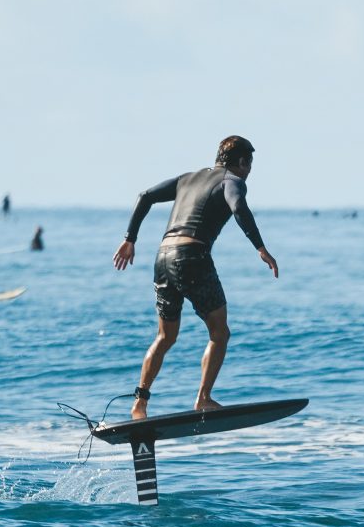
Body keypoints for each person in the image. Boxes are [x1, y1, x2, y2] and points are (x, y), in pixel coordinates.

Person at [112, 134, 278, 421]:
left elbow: (145, 196)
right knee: (220, 333)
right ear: (241, 162)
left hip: (162, 257)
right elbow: (238, 207)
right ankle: (203, 398)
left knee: (165, 337)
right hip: (192, 257)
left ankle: (139, 405)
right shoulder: (233, 181)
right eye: (249, 165)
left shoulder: (187, 179)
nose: (249, 171)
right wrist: (261, 248)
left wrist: (130, 239)